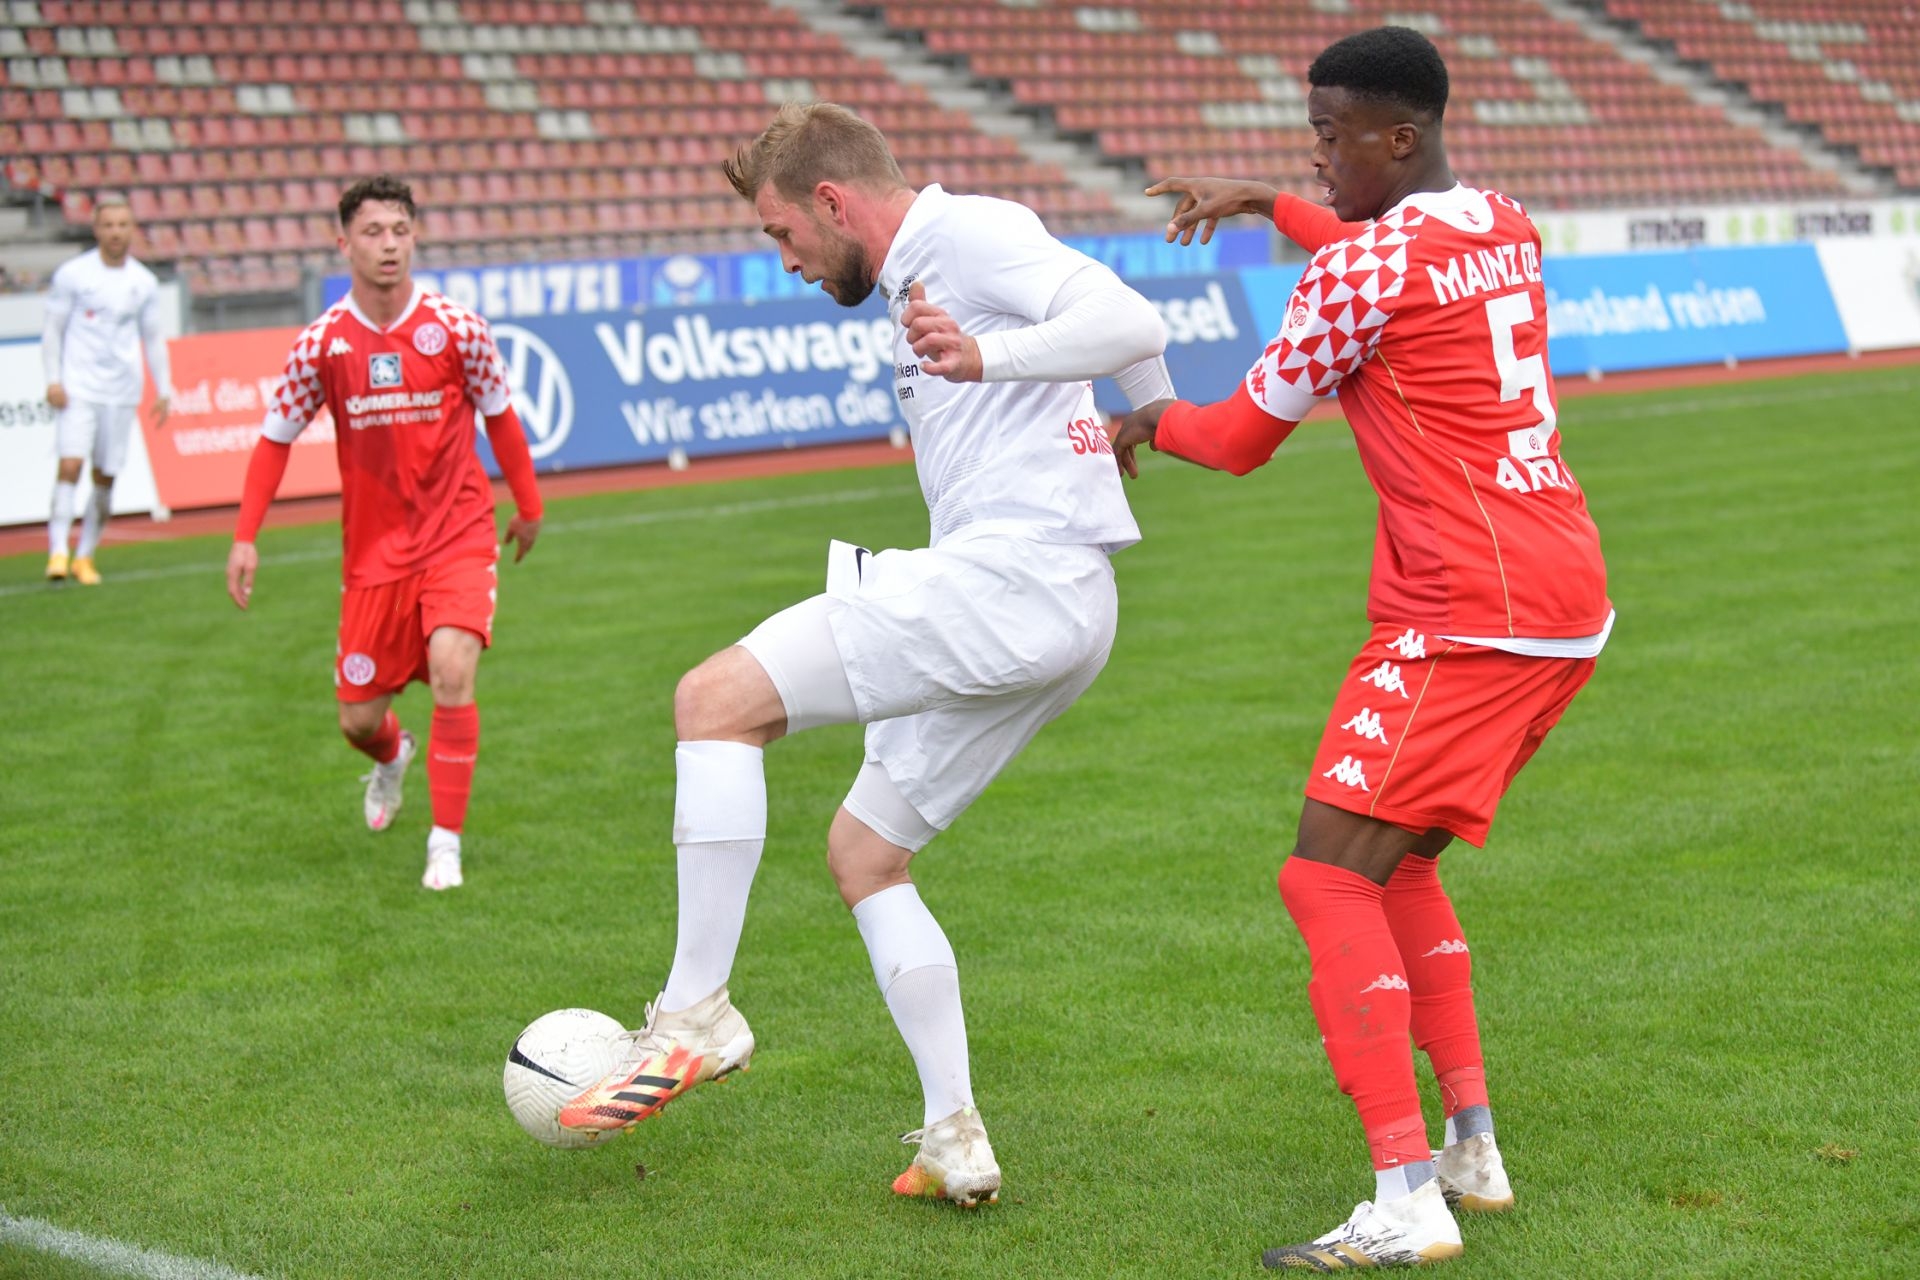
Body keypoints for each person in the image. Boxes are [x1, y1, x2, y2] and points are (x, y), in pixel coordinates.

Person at [554, 103, 1174, 1206]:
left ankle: (694, 1010)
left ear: (834, 203)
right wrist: (1152, 411)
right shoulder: (935, 262)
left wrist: (994, 358)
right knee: (864, 853)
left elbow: (1125, 317)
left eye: (784, 235)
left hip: (1014, 579)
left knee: (713, 700)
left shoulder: (960, 235)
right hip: (1060, 605)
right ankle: (955, 1136)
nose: (788, 263)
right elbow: (1124, 341)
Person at [1111, 26, 1612, 1270]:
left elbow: (1232, 437)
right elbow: (1386, 254)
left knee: (1324, 875)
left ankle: (1404, 1195)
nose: (1318, 155)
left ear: (1401, 134)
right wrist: (1269, 201)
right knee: (1396, 867)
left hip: (1465, 608)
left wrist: (1144, 417)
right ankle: (1471, 1146)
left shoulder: (1357, 273)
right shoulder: (1503, 217)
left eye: (1333, 136)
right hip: (1561, 590)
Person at [225, 175, 545, 892]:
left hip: (459, 535)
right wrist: (245, 535)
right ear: (343, 243)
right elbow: (275, 441)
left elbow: (500, 415)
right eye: (373, 232)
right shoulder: (322, 346)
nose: (389, 244)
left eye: (400, 229)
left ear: (415, 236)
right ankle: (392, 753)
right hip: (373, 558)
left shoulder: (459, 329)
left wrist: (528, 505)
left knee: (453, 673)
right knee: (356, 718)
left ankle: (445, 844)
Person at [42, 196, 174, 585]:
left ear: (131, 230)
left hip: (121, 391)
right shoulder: (72, 275)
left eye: (122, 225)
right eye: (108, 225)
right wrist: (53, 378)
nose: (115, 232)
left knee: (105, 477)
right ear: (96, 229)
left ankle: (84, 556)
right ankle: (57, 552)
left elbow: (153, 338)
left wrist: (163, 389)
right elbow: (53, 330)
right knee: (70, 464)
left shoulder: (143, 282)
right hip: (78, 386)